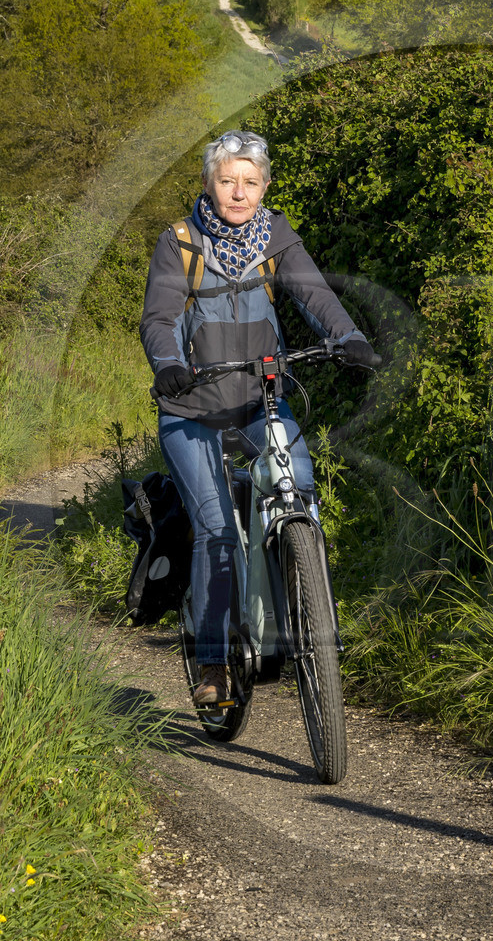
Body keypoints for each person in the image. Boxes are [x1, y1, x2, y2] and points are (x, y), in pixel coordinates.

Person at [140, 129, 375, 705]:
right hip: (190, 408)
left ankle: (306, 615)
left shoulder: (276, 236)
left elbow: (313, 293)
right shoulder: (180, 242)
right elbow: (159, 317)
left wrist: (348, 337)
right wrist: (168, 364)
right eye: (227, 181)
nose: (238, 193)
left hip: (259, 400)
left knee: (298, 488)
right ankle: (214, 665)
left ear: (265, 186)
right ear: (208, 184)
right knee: (218, 528)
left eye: (250, 182)